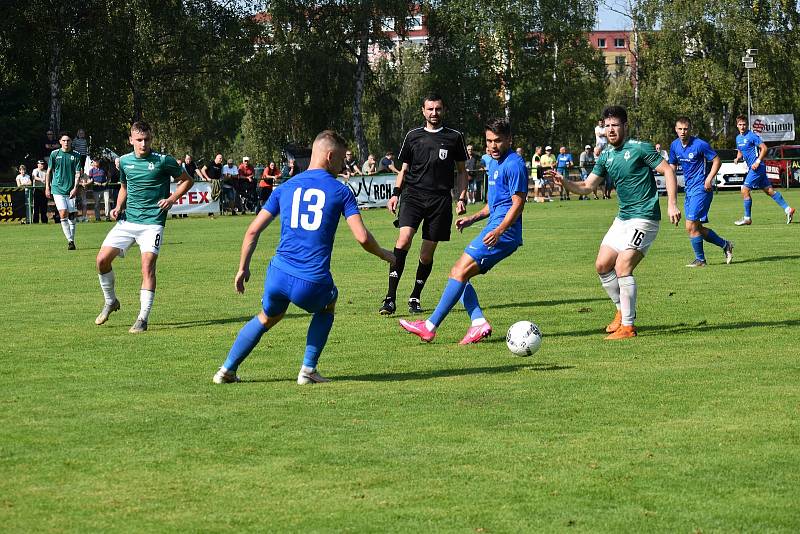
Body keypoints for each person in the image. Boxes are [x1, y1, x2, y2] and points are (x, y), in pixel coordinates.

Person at [212, 131, 395, 385]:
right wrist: (386, 255)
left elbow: (253, 230)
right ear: (330, 156)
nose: (343, 166)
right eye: (341, 160)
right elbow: (362, 237)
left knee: (267, 317)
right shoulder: (341, 191)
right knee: (329, 304)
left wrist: (243, 268)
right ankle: (308, 370)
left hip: (278, 274)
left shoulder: (285, 187)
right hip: (311, 280)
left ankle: (226, 370)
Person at [550, 105, 681, 340]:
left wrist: (671, 204)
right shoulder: (606, 156)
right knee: (602, 265)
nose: (611, 130)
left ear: (625, 126)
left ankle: (628, 327)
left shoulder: (640, 148)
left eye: (615, 125)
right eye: (607, 125)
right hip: (623, 219)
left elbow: (668, 171)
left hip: (645, 218)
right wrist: (565, 182)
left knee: (623, 266)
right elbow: (588, 187)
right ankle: (621, 312)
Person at [399, 118, 527, 344]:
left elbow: (518, 203)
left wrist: (499, 230)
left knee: (458, 272)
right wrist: (472, 218)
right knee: (458, 274)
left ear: (509, 140)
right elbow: (495, 204)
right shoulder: (493, 162)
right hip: (495, 228)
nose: (492, 146)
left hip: (503, 234)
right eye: (489, 141)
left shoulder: (514, 164)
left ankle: (429, 326)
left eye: (498, 141)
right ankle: (478, 322)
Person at [94, 121, 193, 333]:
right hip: (128, 221)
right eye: (139, 140)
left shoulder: (163, 161)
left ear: (151, 139)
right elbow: (124, 186)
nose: (143, 144)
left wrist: (172, 198)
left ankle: (142, 318)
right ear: (131, 140)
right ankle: (111, 301)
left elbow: (187, 180)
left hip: (152, 223)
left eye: (147, 139)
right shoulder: (125, 162)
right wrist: (118, 206)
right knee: (101, 260)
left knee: (147, 266)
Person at [380, 92, 469, 316]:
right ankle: (390, 298)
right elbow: (404, 169)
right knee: (404, 239)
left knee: (426, 255)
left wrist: (461, 197)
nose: (434, 113)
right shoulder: (413, 136)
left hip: (440, 200)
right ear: (423, 111)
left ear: (443, 110)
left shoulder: (454, 137)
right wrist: (395, 194)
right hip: (413, 196)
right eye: (430, 109)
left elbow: (461, 172)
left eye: (438, 109)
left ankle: (415, 297)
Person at [732, 115, 795, 225]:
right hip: (756, 168)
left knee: (745, 190)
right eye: (740, 124)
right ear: (737, 125)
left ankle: (747, 218)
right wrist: (738, 158)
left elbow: (764, 148)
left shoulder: (752, 136)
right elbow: (740, 150)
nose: (742, 127)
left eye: (744, 124)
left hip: (757, 167)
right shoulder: (738, 138)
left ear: (747, 125)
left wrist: (757, 161)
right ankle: (788, 209)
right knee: (769, 191)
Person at [45, 132, 82, 249]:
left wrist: (75, 188)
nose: (66, 142)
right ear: (60, 142)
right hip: (57, 189)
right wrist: (47, 187)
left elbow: (77, 173)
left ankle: (72, 239)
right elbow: (48, 172)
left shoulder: (76, 155)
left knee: (72, 215)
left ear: (71, 142)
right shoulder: (54, 154)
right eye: (64, 140)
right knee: (63, 212)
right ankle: (70, 240)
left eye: (68, 140)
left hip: (71, 189)